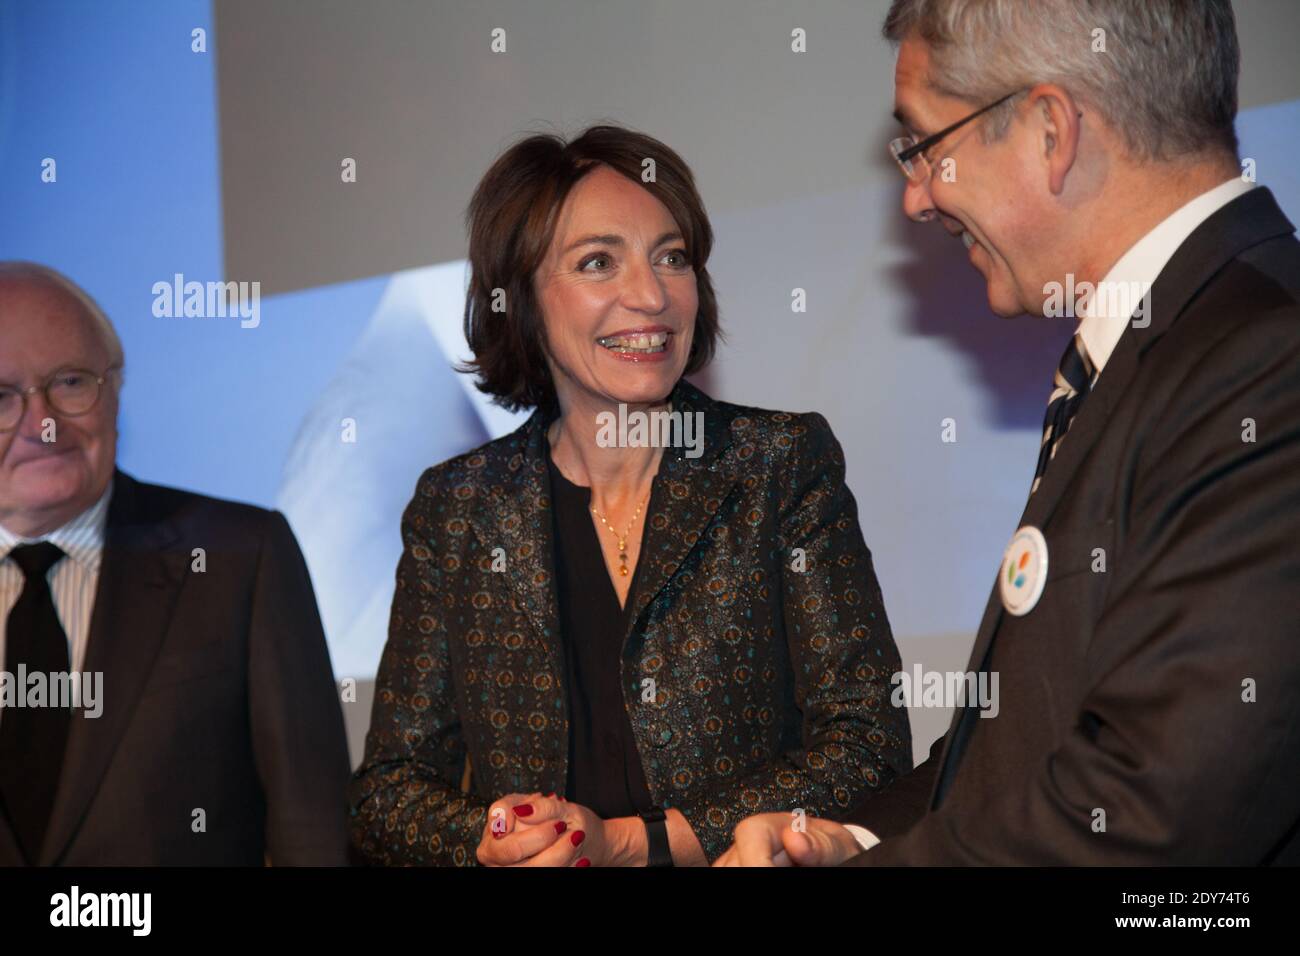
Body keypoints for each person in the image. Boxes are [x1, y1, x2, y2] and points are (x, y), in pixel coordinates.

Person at [718, 0, 1300, 866]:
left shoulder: (1263, 360)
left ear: (1049, 130)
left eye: (923, 146)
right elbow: (1032, 740)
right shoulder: (1165, 349)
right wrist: (851, 839)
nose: (916, 198)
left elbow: (1153, 811)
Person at [348, 124, 911, 866]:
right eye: (598, 263)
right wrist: (493, 842)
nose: (650, 296)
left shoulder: (778, 465)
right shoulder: (459, 508)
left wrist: (625, 844)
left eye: (672, 258)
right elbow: (387, 793)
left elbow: (868, 747)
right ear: (518, 300)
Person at [0, 262, 351, 865]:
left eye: (71, 381)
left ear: (116, 390)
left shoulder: (242, 557)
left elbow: (313, 830)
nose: (44, 422)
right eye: (2, 396)